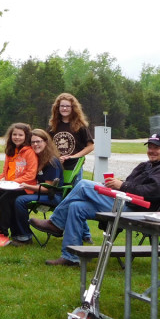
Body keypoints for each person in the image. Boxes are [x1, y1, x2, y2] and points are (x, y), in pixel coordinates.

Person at [30, 133, 160, 266]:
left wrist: (123, 185)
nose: (152, 150)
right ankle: (71, 257)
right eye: (150, 147)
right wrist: (116, 185)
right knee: (76, 206)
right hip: (126, 200)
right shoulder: (147, 165)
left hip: (137, 209)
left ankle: (55, 223)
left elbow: (152, 192)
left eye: (156, 148)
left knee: (83, 185)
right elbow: (132, 184)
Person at [0, 122, 38, 247]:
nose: (17, 137)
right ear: (11, 136)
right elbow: (5, 172)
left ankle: (3, 234)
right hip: (8, 186)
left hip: (23, 187)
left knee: (5, 199)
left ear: (26, 136)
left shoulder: (29, 152)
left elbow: (31, 174)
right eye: (14, 134)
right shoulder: (10, 150)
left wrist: (13, 183)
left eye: (20, 135)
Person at [48, 93, 95, 243]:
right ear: (57, 108)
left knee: (75, 197)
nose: (65, 108)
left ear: (73, 108)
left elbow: (91, 146)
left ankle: (85, 234)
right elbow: (47, 145)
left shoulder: (79, 126)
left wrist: (73, 157)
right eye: (62, 106)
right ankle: (81, 233)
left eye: (68, 106)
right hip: (57, 168)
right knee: (63, 198)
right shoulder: (53, 126)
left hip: (74, 168)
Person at [11, 129, 64, 245]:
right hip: (40, 193)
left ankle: (25, 237)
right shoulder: (37, 158)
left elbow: (48, 188)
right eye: (33, 142)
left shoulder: (51, 162)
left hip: (53, 196)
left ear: (46, 142)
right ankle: (15, 233)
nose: (35, 144)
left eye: (38, 141)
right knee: (11, 196)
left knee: (20, 200)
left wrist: (26, 186)